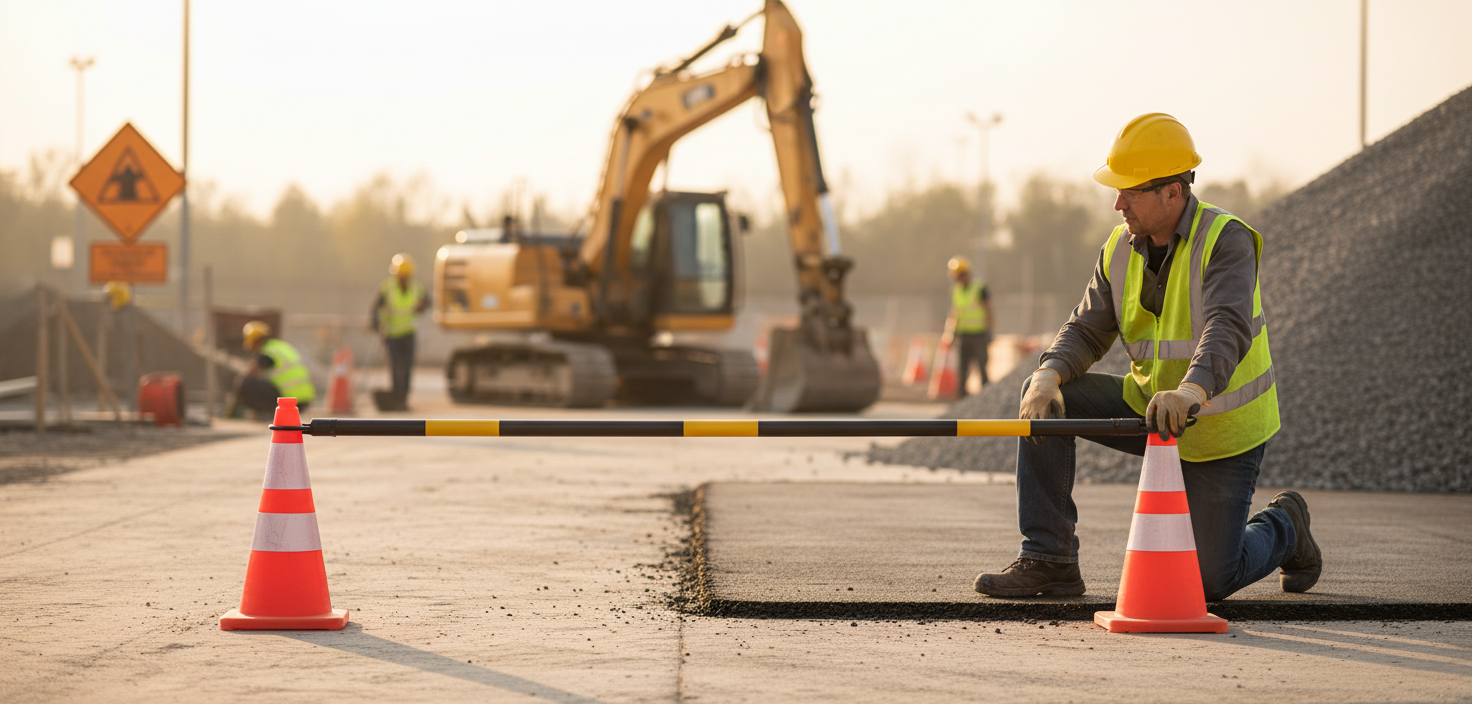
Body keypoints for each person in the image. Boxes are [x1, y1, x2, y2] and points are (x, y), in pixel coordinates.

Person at [972, 113, 1319, 601]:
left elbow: (1227, 328)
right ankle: (1049, 559)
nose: (1118, 204)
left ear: (1173, 192)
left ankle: (1286, 525)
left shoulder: (1226, 240)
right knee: (1047, 397)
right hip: (1150, 407)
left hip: (1221, 427)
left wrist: (1190, 391)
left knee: (1207, 581)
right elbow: (1086, 328)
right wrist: (1048, 373)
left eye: (1130, 192)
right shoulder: (1118, 247)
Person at [370, 253, 429, 409]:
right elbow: (375, 308)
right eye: (401, 275)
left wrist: (421, 307)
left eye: (406, 275)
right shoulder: (387, 288)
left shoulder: (416, 287)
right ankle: (396, 398)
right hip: (392, 335)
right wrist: (376, 324)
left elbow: (427, 301)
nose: (403, 278)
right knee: (396, 368)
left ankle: (403, 399)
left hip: (408, 333)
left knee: (407, 367)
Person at [234, 320, 315, 417]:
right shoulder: (280, 346)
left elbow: (250, 373)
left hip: (287, 400)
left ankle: (263, 413)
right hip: (303, 400)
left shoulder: (267, 352)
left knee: (245, 382)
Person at [941, 255, 995, 398]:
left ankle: (986, 396)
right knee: (962, 368)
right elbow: (955, 313)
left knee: (982, 367)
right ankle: (962, 398)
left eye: (959, 276)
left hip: (979, 335)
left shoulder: (979, 288)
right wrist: (950, 334)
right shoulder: (956, 290)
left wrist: (990, 331)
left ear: (966, 274)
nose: (957, 279)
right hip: (963, 335)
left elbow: (989, 310)